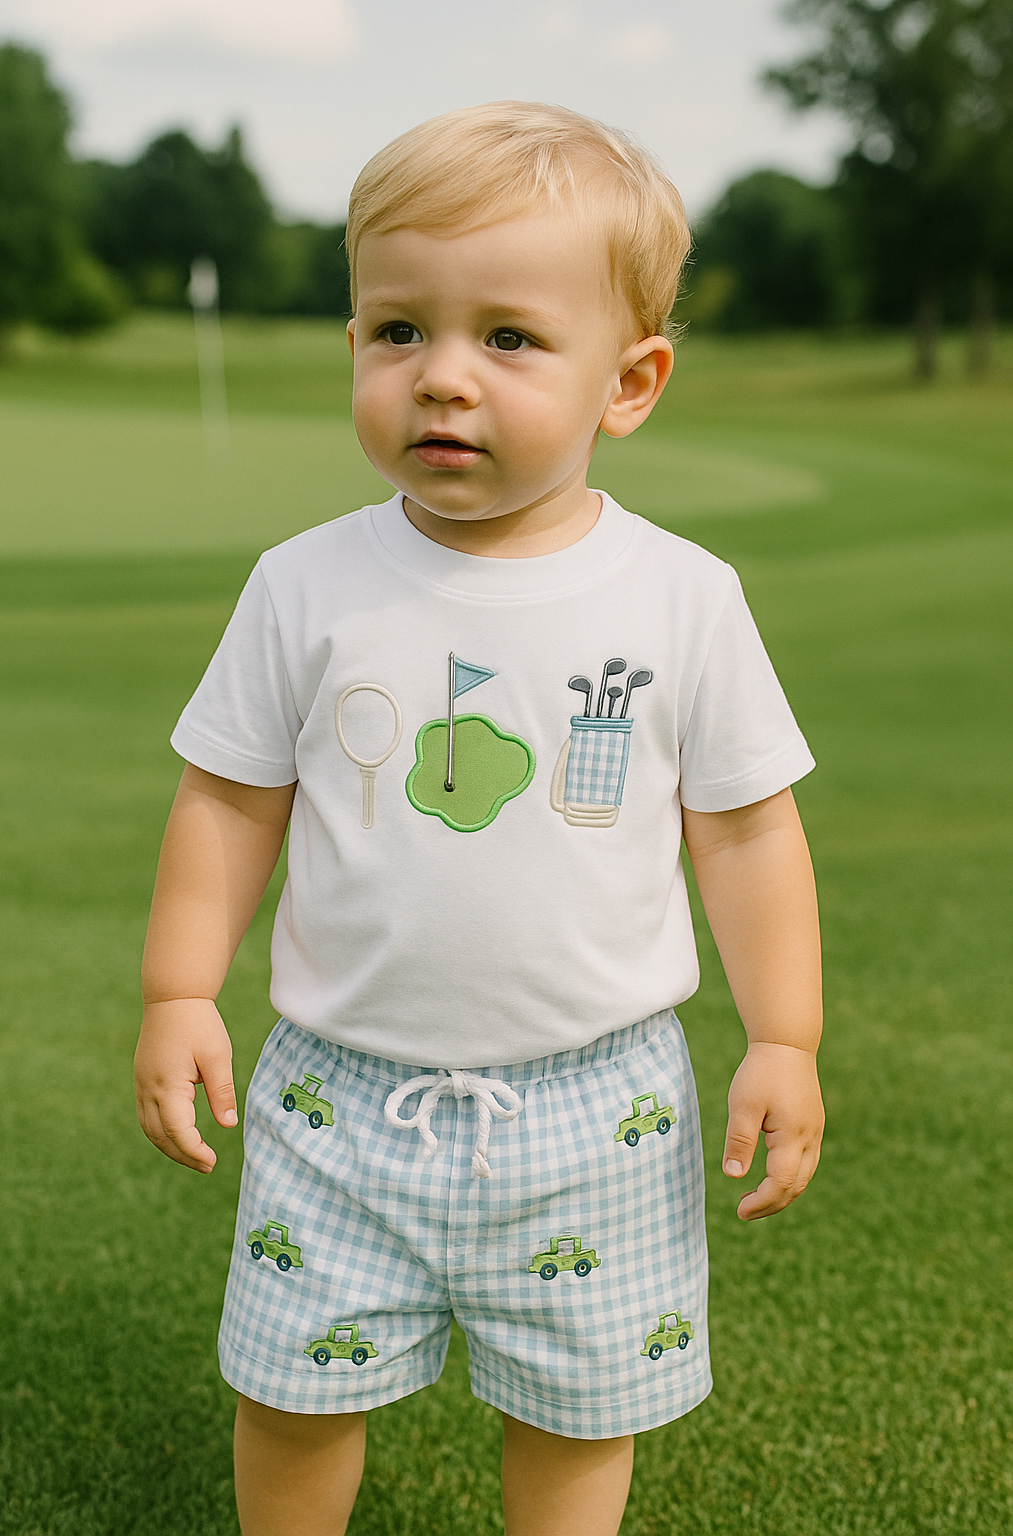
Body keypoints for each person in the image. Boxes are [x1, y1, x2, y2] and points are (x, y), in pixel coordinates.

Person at [134, 101, 824, 1536]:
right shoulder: (305, 584)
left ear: (628, 382)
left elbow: (748, 832)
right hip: (337, 1096)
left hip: (600, 1102)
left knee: (575, 1415)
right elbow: (230, 795)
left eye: (508, 338)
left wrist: (786, 1035)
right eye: (399, 331)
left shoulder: (681, 597)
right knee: (294, 1394)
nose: (442, 377)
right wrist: (179, 987)